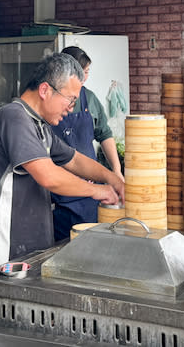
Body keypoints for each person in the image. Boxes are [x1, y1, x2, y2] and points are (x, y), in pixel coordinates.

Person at [0, 53, 124, 292]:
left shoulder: (40, 127)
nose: (70, 109)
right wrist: (98, 190)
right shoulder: (13, 117)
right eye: (69, 100)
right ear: (45, 90)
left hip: (23, 253)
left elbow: (75, 160)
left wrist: (113, 178)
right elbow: (48, 176)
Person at [51, 46, 124, 241]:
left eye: (87, 72)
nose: (84, 77)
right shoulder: (50, 105)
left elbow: (104, 134)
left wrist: (116, 171)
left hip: (92, 192)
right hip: (59, 194)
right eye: (81, 72)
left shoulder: (89, 99)